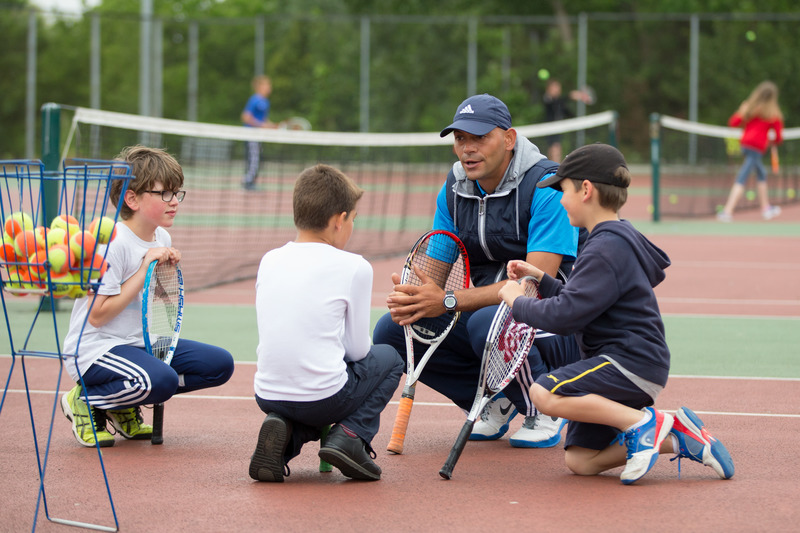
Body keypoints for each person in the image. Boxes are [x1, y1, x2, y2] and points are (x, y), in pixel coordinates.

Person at [499, 143, 735, 484]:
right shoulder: (608, 241)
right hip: (630, 364)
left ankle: (643, 424)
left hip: (626, 363)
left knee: (543, 393)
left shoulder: (606, 247)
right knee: (581, 461)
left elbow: (566, 317)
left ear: (585, 190)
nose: (560, 200)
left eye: (562, 190)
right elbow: (580, 299)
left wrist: (515, 300)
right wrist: (540, 279)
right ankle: (676, 436)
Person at [373, 93, 581, 449]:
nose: (468, 148)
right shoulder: (453, 191)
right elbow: (435, 275)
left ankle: (542, 408)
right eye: (460, 139)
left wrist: (448, 300)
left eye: (479, 137)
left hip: (560, 327)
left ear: (509, 139)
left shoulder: (547, 187)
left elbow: (533, 286)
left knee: (489, 322)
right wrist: (415, 297)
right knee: (393, 329)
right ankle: (492, 399)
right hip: (492, 319)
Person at [60, 145, 235, 448]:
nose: (174, 201)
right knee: (161, 380)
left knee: (219, 364)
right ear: (133, 198)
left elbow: (157, 303)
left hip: (141, 343)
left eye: (177, 193)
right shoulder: (112, 243)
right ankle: (85, 399)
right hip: (96, 349)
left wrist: (165, 273)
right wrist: (144, 270)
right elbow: (98, 315)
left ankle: (124, 400)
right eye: (164, 193)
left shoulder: (161, 236)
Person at [249, 164, 404, 483]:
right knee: (390, 358)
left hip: (266, 392)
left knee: (311, 395)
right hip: (323, 397)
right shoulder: (354, 267)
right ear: (338, 220)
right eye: (353, 220)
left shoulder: (269, 260)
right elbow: (359, 350)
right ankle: (350, 435)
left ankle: (285, 436)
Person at [718, 80, 784, 222]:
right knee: (743, 176)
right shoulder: (773, 114)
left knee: (761, 174)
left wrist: (742, 111)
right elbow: (778, 137)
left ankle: (766, 208)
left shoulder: (750, 108)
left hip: (746, 145)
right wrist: (772, 139)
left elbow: (733, 123)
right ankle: (727, 211)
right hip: (756, 148)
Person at [542, 79, 593, 162]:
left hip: (558, 130)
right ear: (549, 89)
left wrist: (579, 121)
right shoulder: (547, 99)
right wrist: (571, 96)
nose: (557, 89)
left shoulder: (560, 103)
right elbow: (555, 103)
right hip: (550, 130)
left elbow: (568, 113)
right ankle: (554, 169)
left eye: (558, 87)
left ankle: (555, 168)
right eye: (554, 87)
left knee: (557, 150)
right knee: (554, 150)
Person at [241, 75, 277, 190]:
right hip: (251, 135)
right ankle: (248, 182)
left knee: (257, 158)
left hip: (259, 136)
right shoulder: (255, 99)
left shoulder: (265, 101)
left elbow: (263, 120)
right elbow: (246, 117)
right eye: (267, 85)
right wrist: (262, 125)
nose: (269, 87)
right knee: (253, 158)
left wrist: (271, 125)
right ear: (260, 86)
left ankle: (251, 181)